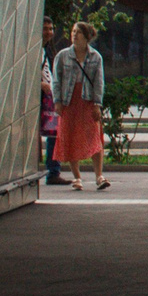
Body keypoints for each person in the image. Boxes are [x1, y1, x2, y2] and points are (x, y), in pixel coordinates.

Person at [51, 21, 110, 190]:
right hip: (69, 100)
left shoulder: (95, 57)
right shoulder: (63, 56)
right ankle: (77, 177)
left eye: (78, 32)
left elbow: (99, 82)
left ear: (86, 36)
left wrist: (97, 104)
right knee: (70, 136)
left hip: (88, 100)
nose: (74, 35)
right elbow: (57, 80)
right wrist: (57, 101)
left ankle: (99, 176)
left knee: (94, 136)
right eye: (73, 31)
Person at [38, 18, 65, 186]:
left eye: (51, 28)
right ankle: (51, 170)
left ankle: (53, 171)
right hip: (39, 97)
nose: (48, 32)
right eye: (45, 28)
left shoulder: (46, 49)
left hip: (48, 97)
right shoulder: (34, 49)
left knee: (53, 133)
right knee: (51, 133)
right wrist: (40, 84)